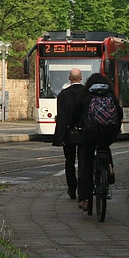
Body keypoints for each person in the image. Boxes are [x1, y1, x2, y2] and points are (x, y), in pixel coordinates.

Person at [72, 72, 124, 212]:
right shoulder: (110, 95)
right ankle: (109, 167)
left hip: (90, 132)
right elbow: (119, 112)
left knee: (87, 164)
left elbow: (75, 113)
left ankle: (86, 200)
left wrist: (72, 127)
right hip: (108, 132)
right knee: (105, 147)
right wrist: (117, 128)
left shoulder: (86, 95)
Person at [52, 67, 85, 200]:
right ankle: (83, 189)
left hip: (69, 133)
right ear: (81, 78)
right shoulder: (86, 93)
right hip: (83, 134)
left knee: (69, 162)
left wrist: (60, 138)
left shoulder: (63, 95)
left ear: (69, 78)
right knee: (83, 161)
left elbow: (61, 118)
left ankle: (72, 188)